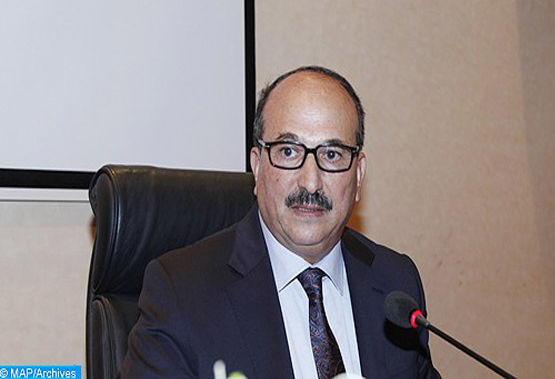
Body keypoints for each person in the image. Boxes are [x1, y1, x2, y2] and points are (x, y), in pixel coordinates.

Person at [120, 66, 440, 378]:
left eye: (332, 154)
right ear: (257, 167)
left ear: (358, 175)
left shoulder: (395, 281)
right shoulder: (181, 291)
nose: (311, 182)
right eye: (288, 152)